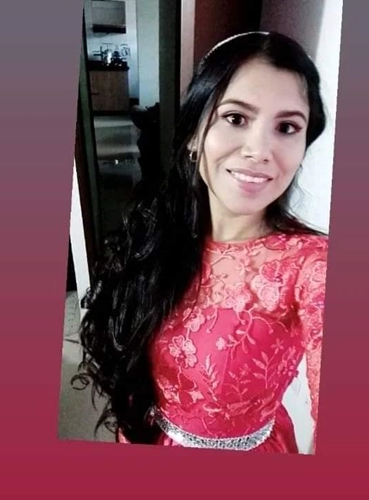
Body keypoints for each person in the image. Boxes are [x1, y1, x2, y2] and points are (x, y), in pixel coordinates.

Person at [74, 31, 329, 454]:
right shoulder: (158, 231)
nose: (259, 150)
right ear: (195, 133)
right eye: (236, 118)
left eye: (286, 127)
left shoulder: (313, 265)